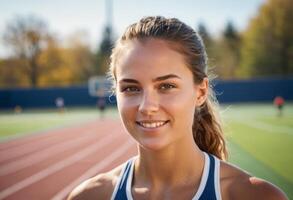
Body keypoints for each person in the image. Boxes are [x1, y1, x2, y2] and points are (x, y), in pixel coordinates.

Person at [68, 16, 287, 200]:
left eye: (166, 86)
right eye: (131, 88)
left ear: (200, 92)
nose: (147, 107)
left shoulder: (252, 195)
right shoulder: (90, 196)